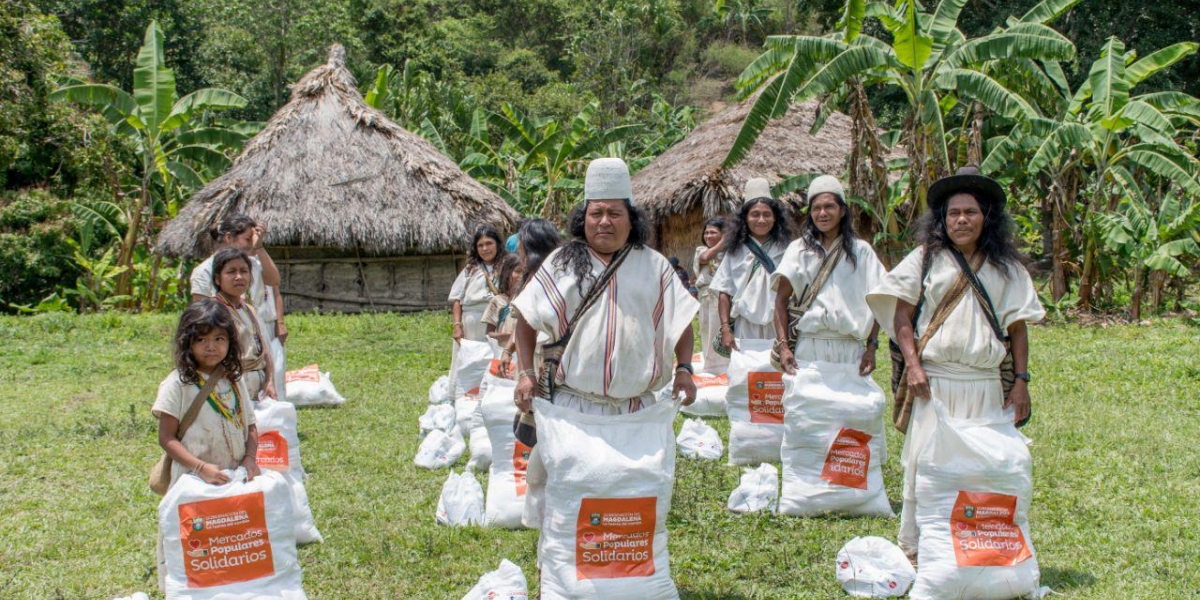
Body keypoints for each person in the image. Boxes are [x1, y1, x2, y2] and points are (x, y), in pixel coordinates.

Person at [511, 157, 699, 586]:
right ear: (584, 218)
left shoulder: (654, 267)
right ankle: (557, 584)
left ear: (631, 220)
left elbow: (682, 322)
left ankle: (630, 585)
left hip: (635, 411)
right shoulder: (562, 263)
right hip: (573, 409)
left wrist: (685, 369)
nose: (604, 222)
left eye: (615, 213)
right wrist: (525, 373)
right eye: (596, 213)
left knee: (634, 496)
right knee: (567, 500)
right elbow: (523, 320)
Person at [866, 166, 1045, 561]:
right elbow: (902, 318)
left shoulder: (1008, 269)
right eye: (953, 213)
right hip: (936, 383)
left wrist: (1021, 381)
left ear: (987, 218)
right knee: (925, 464)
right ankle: (918, 550)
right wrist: (913, 366)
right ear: (942, 220)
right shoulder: (925, 259)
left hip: (984, 385)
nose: (961, 220)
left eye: (970, 212)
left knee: (981, 465)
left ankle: (976, 548)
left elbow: (1017, 329)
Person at [152, 298, 259, 588]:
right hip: (192, 477)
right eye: (201, 339)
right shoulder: (177, 384)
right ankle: (179, 585)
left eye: (219, 339)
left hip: (231, 475)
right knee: (191, 538)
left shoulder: (234, 381)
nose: (211, 346)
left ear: (230, 342)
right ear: (188, 342)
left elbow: (250, 424)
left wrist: (250, 458)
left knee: (228, 538)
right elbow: (166, 438)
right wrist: (200, 467)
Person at [771, 175, 886, 374]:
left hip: (850, 349)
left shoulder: (862, 251)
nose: (822, 213)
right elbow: (780, 301)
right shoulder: (798, 250)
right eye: (816, 208)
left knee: (853, 405)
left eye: (829, 207)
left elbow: (879, 300)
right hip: (808, 348)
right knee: (806, 403)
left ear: (842, 211)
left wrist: (872, 346)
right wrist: (783, 347)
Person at [710, 178, 794, 352]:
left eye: (767, 214)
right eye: (755, 214)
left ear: (775, 218)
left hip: (779, 323)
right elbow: (724, 292)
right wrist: (725, 327)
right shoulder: (735, 251)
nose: (761, 220)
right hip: (744, 324)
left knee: (778, 375)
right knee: (747, 373)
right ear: (745, 218)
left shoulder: (787, 250)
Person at [191, 214, 287, 345]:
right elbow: (202, 314)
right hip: (228, 333)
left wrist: (259, 247)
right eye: (248, 239)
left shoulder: (254, 263)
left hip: (259, 328)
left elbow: (274, 280)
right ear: (229, 238)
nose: (253, 243)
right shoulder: (204, 271)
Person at [497, 219, 563, 376]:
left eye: (520, 245)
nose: (518, 250)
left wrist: (550, 356)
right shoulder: (529, 278)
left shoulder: (558, 279)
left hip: (549, 358)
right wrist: (508, 350)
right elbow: (524, 321)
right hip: (530, 355)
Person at [210, 247, 277, 402]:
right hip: (228, 385)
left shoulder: (249, 309)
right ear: (217, 279)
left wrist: (269, 380)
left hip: (257, 385)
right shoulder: (213, 311)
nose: (239, 277)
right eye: (231, 272)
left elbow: (264, 350)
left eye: (244, 271)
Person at [449, 226, 507, 343]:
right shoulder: (470, 270)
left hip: (499, 325)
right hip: (471, 329)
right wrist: (457, 325)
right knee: (472, 358)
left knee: (496, 359)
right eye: (480, 245)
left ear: (497, 244)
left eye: (489, 243)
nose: (485, 248)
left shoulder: (507, 267)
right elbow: (456, 298)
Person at [693, 216, 727, 373]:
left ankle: (724, 365)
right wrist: (723, 242)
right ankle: (711, 366)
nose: (708, 236)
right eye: (706, 233)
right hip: (707, 296)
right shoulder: (702, 250)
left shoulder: (729, 253)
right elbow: (705, 258)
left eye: (713, 232)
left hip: (724, 297)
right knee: (707, 328)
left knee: (722, 329)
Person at [482, 254, 524, 350]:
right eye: (517, 271)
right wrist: (508, 336)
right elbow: (489, 333)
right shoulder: (498, 301)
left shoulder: (530, 301)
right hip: (502, 351)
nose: (521, 276)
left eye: (525, 272)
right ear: (507, 274)